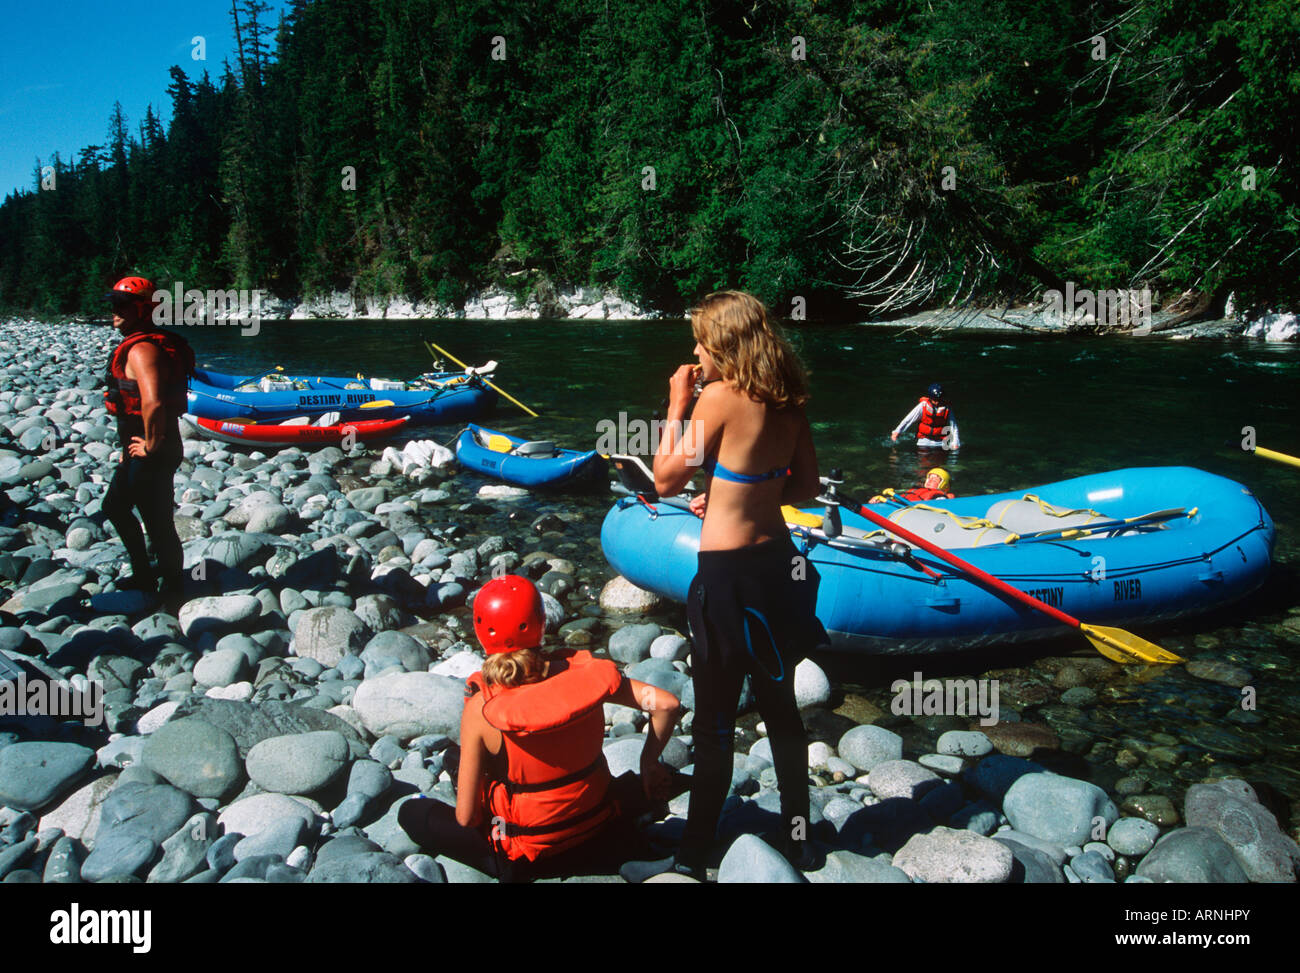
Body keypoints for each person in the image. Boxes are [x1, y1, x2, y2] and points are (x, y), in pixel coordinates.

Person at [637, 290, 827, 881]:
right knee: (781, 712)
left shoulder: (716, 396)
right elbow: (804, 488)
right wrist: (732, 493)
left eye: (699, 341)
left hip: (727, 581)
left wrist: (676, 400)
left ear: (722, 345)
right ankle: (799, 841)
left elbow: (666, 478)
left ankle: (694, 853)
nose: (694, 352)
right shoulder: (789, 402)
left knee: (716, 719)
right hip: (779, 570)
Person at [398, 575, 684, 882]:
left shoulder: (481, 709)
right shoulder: (585, 676)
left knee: (412, 813)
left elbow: (467, 818)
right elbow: (665, 704)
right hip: (595, 825)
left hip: (525, 854)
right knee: (454, 758)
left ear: (481, 632)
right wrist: (649, 762)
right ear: (542, 622)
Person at [100, 276, 194, 603]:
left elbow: (152, 402)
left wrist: (150, 446)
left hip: (154, 450)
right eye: (113, 304)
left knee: (157, 524)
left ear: (143, 309)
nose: (114, 311)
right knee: (117, 507)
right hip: (145, 449)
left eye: (122, 305)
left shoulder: (142, 349)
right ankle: (146, 575)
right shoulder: (146, 342)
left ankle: (171, 593)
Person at [891, 382, 960, 450]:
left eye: (939, 400)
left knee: (941, 459)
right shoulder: (923, 405)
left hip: (941, 441)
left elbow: (953, 427)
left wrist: (956, 443)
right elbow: (908, 420)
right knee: (924, 458)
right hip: (924, 440)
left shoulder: (947, 408)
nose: (937, 402)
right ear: (930, 398)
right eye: (935, 400)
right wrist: (897, 432)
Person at [869, 467, 955, 504]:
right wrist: (882, 500)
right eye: (929, 478)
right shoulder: (916, 490)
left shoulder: (941, 498)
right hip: (898, 505)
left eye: (935, 480)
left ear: (942, 485)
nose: (930, 481)